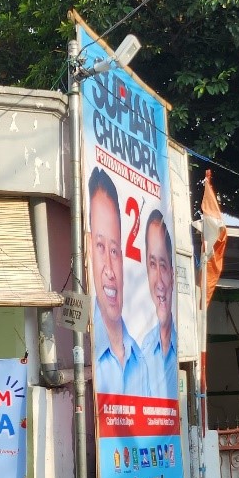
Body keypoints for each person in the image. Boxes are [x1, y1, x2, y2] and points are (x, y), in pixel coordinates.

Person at [88, 167, 147, 395]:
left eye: (114, 251)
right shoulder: (84, 346)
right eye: (100, 247)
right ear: (88, 249)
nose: (110, 270)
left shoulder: (139, 359)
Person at [141, 210, 179, 400]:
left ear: (172, 274)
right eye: (152, 264)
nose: (159, 282)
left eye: (162, 265)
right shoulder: (142, 351)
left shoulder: (184, 348)